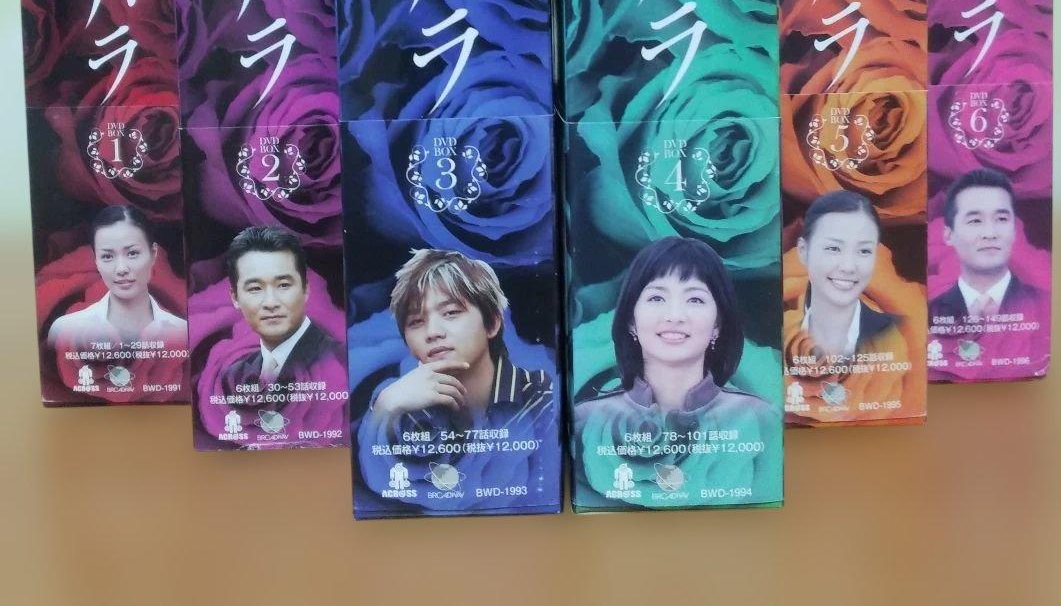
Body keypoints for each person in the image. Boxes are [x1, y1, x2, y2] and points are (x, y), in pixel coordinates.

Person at [574, 236, 772, 422]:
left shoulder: (760, 418)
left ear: (717, 325)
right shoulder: (585, 420)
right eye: (656, 298)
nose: (674, 316)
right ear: (630, 321)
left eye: (695, 299)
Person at [370, 248, 553, 427]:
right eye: (416, 321)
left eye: (451, 313)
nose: (432, 332)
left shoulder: (540, 394)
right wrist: (383, 411)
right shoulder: (395, 400)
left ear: (492, 323)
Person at [219, 226, 344, 396]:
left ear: (306, 289)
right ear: (235, 297)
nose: (271, 303)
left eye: (283, 285)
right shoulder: (239, 370)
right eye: (255, 288)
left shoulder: (338, 358)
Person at [47, 205, 186, 351]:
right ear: (96, 260)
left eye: (132, 253)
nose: (121, 269)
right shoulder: (64, 329)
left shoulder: (181, 332)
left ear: (153, 253)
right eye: (107, 256)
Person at [788, 190, 900, 359]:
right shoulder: (777, 332)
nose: (848, 267)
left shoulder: (898, 332)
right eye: (833, 248)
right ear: (803, 250)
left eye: (864, 251)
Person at [930, 168, 1045, 324]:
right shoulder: (928, 304)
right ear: (948, 235)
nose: (990, 234)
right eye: (975, 221)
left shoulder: (1047, 300)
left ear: (1015, 230)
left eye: (1001, 219)